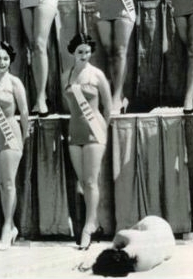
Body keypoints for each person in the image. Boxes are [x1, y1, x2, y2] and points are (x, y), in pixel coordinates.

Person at [62, 33, 112, 250]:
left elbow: (108, 107)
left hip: (95, 131)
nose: (84, 55)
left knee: (91, 181)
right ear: (73, 53)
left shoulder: (97, 75)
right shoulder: (66, 75)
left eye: (87, 51)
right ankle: (94, 222)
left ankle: (88, 227)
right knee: (82, 181)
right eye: (80, 52)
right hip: (75, 130)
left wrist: (102, 130)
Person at [0, 41, 29, 250]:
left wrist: (23, 138)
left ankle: (7, 227)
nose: (2, 62)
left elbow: (24, 112)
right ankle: (11, 227)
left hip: (11, 134)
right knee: (2, 184)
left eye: (5, 58)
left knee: (9, 183)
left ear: (10, 60)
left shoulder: (15, 83)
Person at [92, 216, 175, 276]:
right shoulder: (122, 235)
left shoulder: (141, 267)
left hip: (170, 246)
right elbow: (113, 246)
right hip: (158, 223)